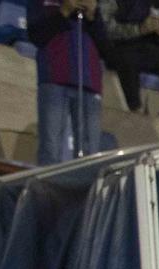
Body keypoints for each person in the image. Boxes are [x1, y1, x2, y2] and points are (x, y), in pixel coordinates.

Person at [28, 0, 108, 163]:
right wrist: (64, 11)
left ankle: (84, 189)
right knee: (50, 150)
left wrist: (93, 16)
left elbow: (107, 50)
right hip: (54, 78)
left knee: (90, 155)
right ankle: (47, 189)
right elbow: (36, 35)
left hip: (89, 83)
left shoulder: (95, 4)